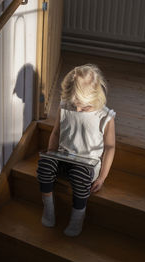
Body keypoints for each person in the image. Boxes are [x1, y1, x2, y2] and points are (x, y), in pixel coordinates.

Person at [36, 63, 116, 237]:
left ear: (96, 96)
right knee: (43, 165)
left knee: (80, 177)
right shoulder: (65, 106)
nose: (78, 109)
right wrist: (51, 153)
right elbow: (56, 132)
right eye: (75, 104)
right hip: (62, 157)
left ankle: (77, 217)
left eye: (84, 106)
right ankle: (48, 208)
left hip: (86, 164)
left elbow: (110, 148)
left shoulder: (105, 117)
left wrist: (102, 176)